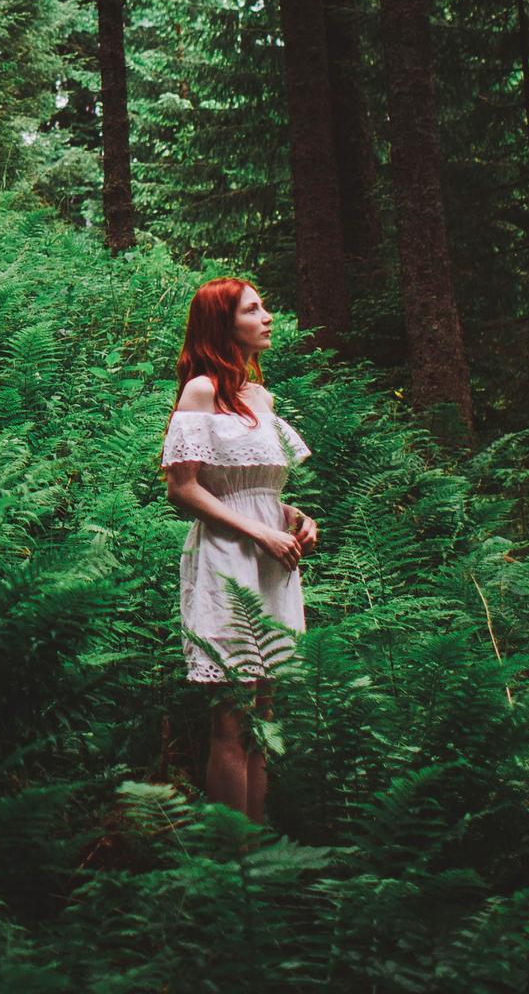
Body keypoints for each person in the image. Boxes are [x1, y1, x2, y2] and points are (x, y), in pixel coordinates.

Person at [159, 277, 316, 824]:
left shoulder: (260, 396)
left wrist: (295, 519)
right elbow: (183, 488)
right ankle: (232, 863)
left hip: (273, 561)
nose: (268, 316)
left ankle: (259, 857)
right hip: (227, 561)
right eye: (254, 308)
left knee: (263, 714)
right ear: (224, 325)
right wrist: (259, 533)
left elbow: (260, 488)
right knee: (231, 719)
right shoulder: (201, 390)